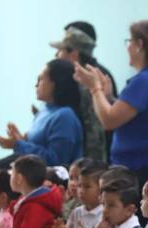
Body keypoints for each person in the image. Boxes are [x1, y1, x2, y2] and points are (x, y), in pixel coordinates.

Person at [74, 20, 148, 186]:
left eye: (129, 42)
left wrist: (95, 88)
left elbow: (109, 120)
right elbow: (131, 115)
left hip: (135, 169)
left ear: (139, 45)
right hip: (139, 167)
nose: (127, 47)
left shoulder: (144, 81)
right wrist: (109, 98)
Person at [0, 59, 83, 167]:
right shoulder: (44, 111)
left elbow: (56, 162)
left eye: (40, 79)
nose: (36, 84)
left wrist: (18, 145)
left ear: (55, 83)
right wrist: (21, 140)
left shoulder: (65, 116)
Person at [51, 28, 108, 162]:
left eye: (61, 51)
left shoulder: (89, 80)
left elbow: (93, 129)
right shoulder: (83, 77)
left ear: (74, 55)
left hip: (90, 159)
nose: (56, 55)